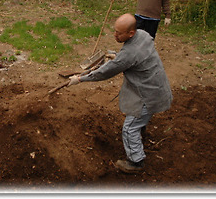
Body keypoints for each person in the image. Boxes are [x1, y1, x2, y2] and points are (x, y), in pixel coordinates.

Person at [68, 13, 173, 173]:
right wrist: (118, 56)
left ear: (131, 33)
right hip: (158, 86)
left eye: (119, 33)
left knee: (129, 128)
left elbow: (104, 72)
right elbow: (132, 57)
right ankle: (141, 133)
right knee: (138, 122)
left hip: (148, 95)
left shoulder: (129, 54)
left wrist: (80, 79)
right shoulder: (144, 35)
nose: (115, 35)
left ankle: (135, 162)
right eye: (115, 31)